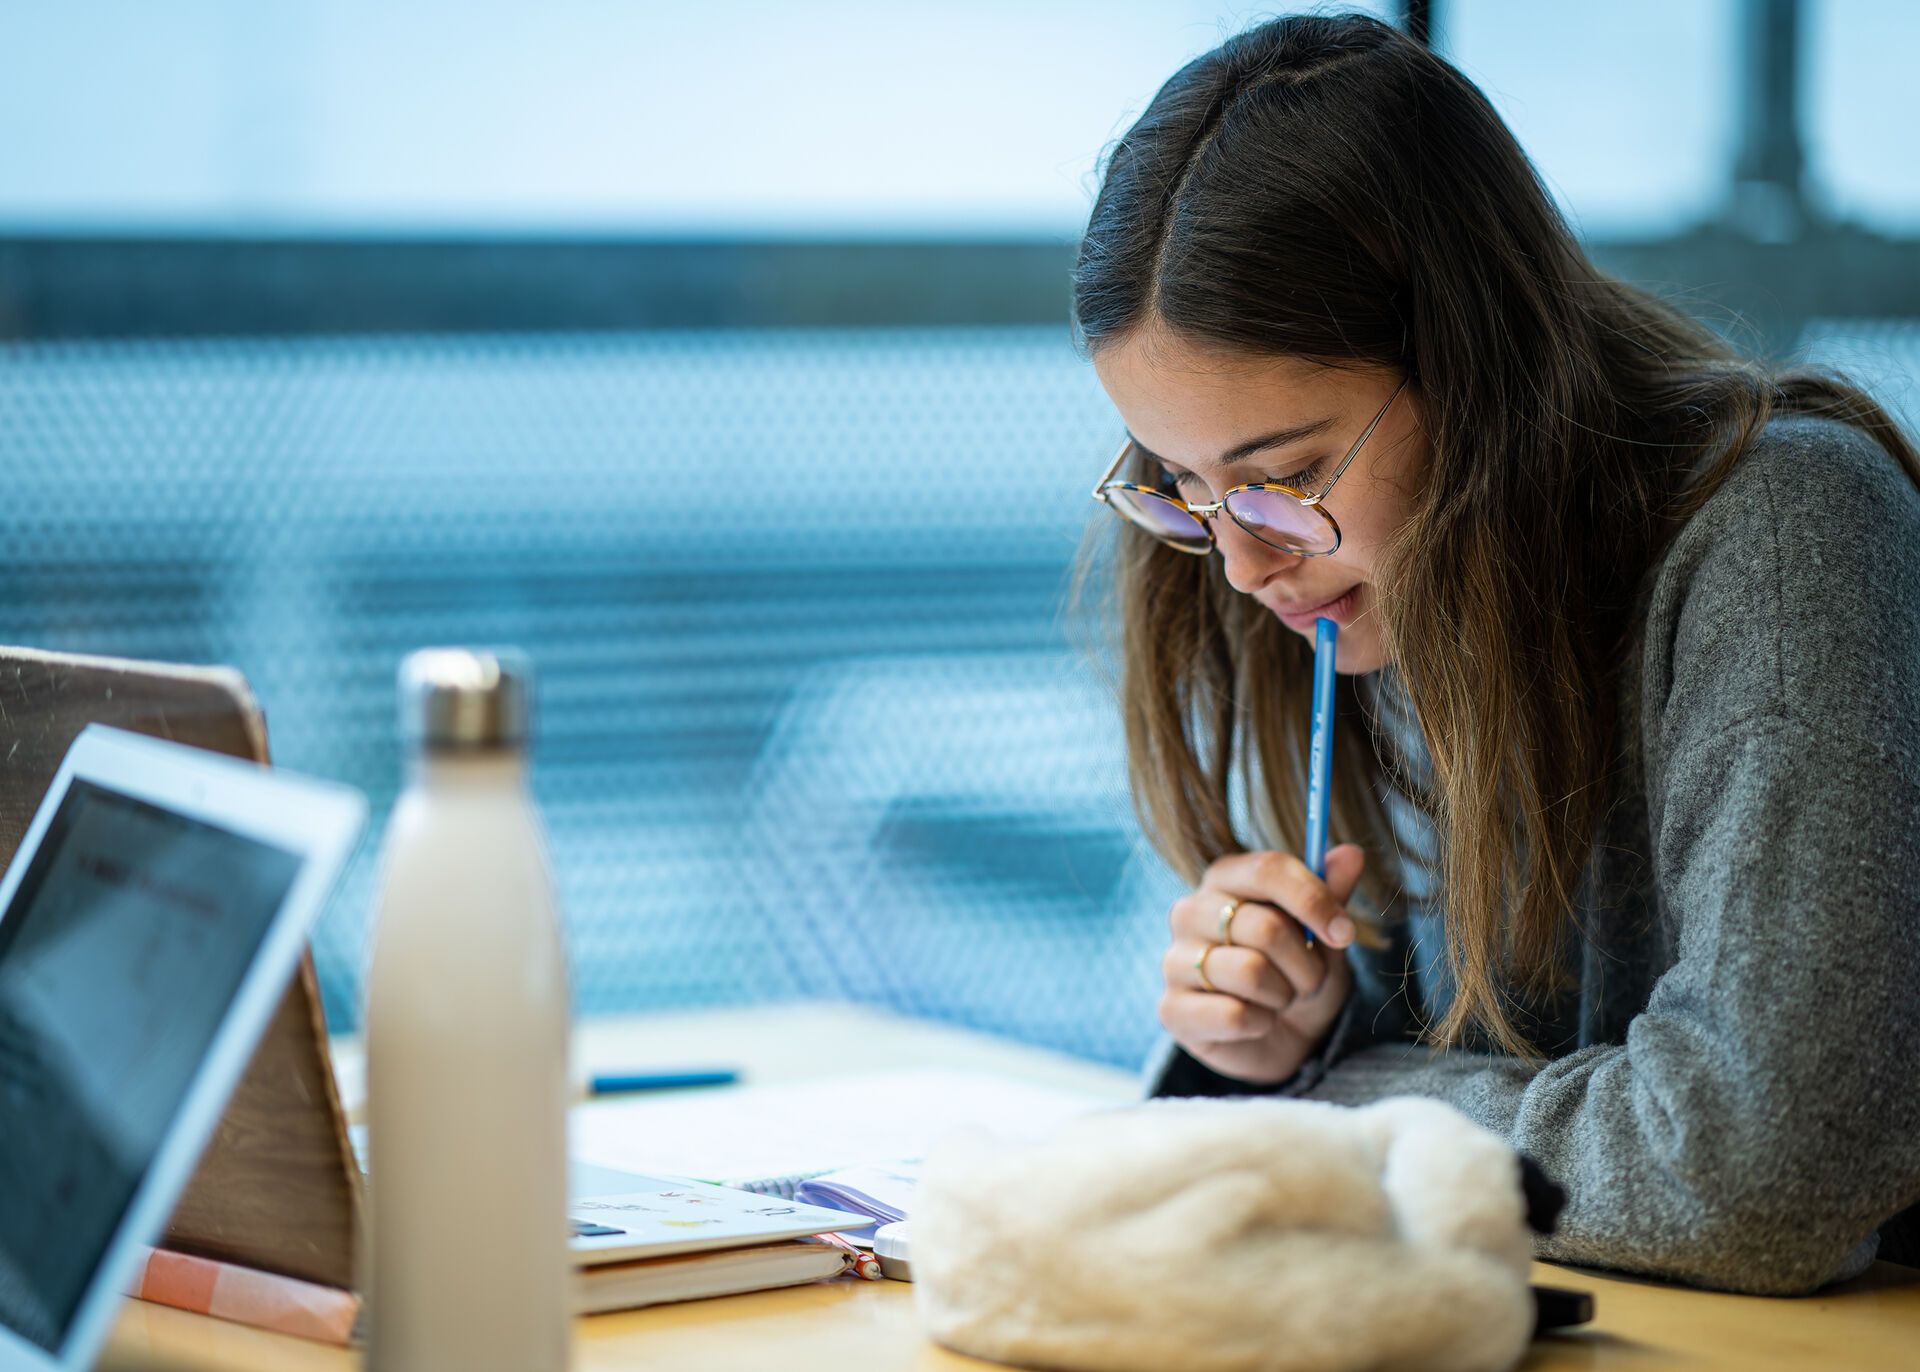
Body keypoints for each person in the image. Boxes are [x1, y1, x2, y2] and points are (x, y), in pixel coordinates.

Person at [1076, 12, 1920, 1295]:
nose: (1242, 565)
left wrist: (1321, 1099)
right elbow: (1492, 1076)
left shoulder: (1790, 531)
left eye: (1285, 475)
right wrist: (1278, 1038)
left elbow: (1756, 1166)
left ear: (1477, 374)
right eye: (1180, 486)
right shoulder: (1379, 588)